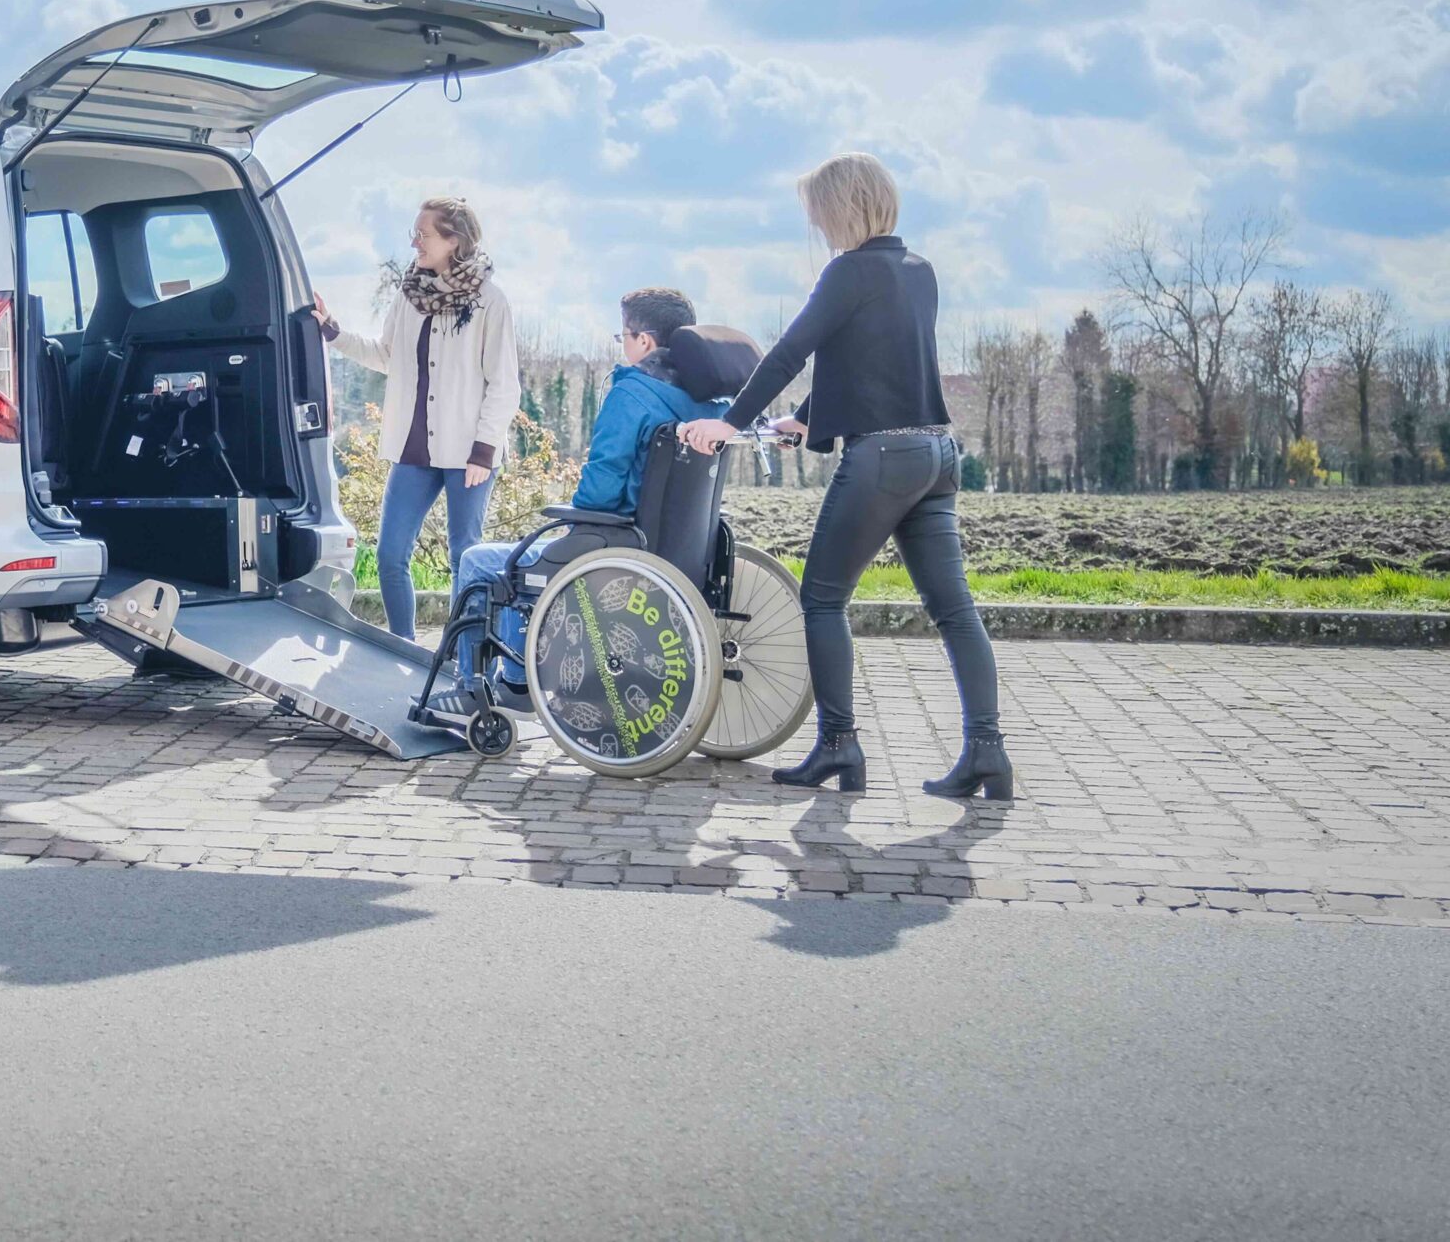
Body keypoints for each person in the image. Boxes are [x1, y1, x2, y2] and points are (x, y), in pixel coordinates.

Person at [681, 153, 1009, 800]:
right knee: (954, 609)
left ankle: (838, 744)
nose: (817, 228)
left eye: (818, 214)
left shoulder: (847, 272)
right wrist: (805, 419)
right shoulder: (919, 272)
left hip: (883, 457)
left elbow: (790, 352)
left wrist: (731, 422)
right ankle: (988, 752)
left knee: (823, 599)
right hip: (936, 454)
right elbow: (876, 356)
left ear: (841, 208)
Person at [429, 287, 732, 719]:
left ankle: (498, 686)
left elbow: (601, 489)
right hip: (681, 553)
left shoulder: (633, 396)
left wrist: (573, 516)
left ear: (644, 341)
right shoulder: (711, 406)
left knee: (481, 561)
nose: (621, 346)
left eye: (622, 336)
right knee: (521, 557)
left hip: (617, 545)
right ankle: (514, 679)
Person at [316, 197, 520, 641]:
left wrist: (483, 451)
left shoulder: (490, 301)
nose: (414, 242)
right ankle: (403, 649)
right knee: (390, 555)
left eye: (423, 234)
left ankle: (467, 661)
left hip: (470, 454)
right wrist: (333, 331)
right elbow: (385, 354)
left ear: (454, 240)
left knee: (465, 556)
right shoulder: (409, 296)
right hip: (413, 449)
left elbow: (505, 385)